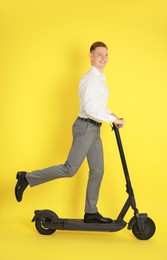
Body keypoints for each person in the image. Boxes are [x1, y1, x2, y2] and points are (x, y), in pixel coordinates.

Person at [15, 41, 124, 223]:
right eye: (99, 54)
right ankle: (26, 178)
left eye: (106, 54)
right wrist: (112, 119)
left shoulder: (100, 78)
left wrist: (112, 114)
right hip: (85, 127)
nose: (104, 58)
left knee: (97, 170)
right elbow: (89, 108)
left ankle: (91, 212)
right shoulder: (90, 79)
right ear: (90, 56)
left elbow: (98, 106)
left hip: (95, 128)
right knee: (70, 169)